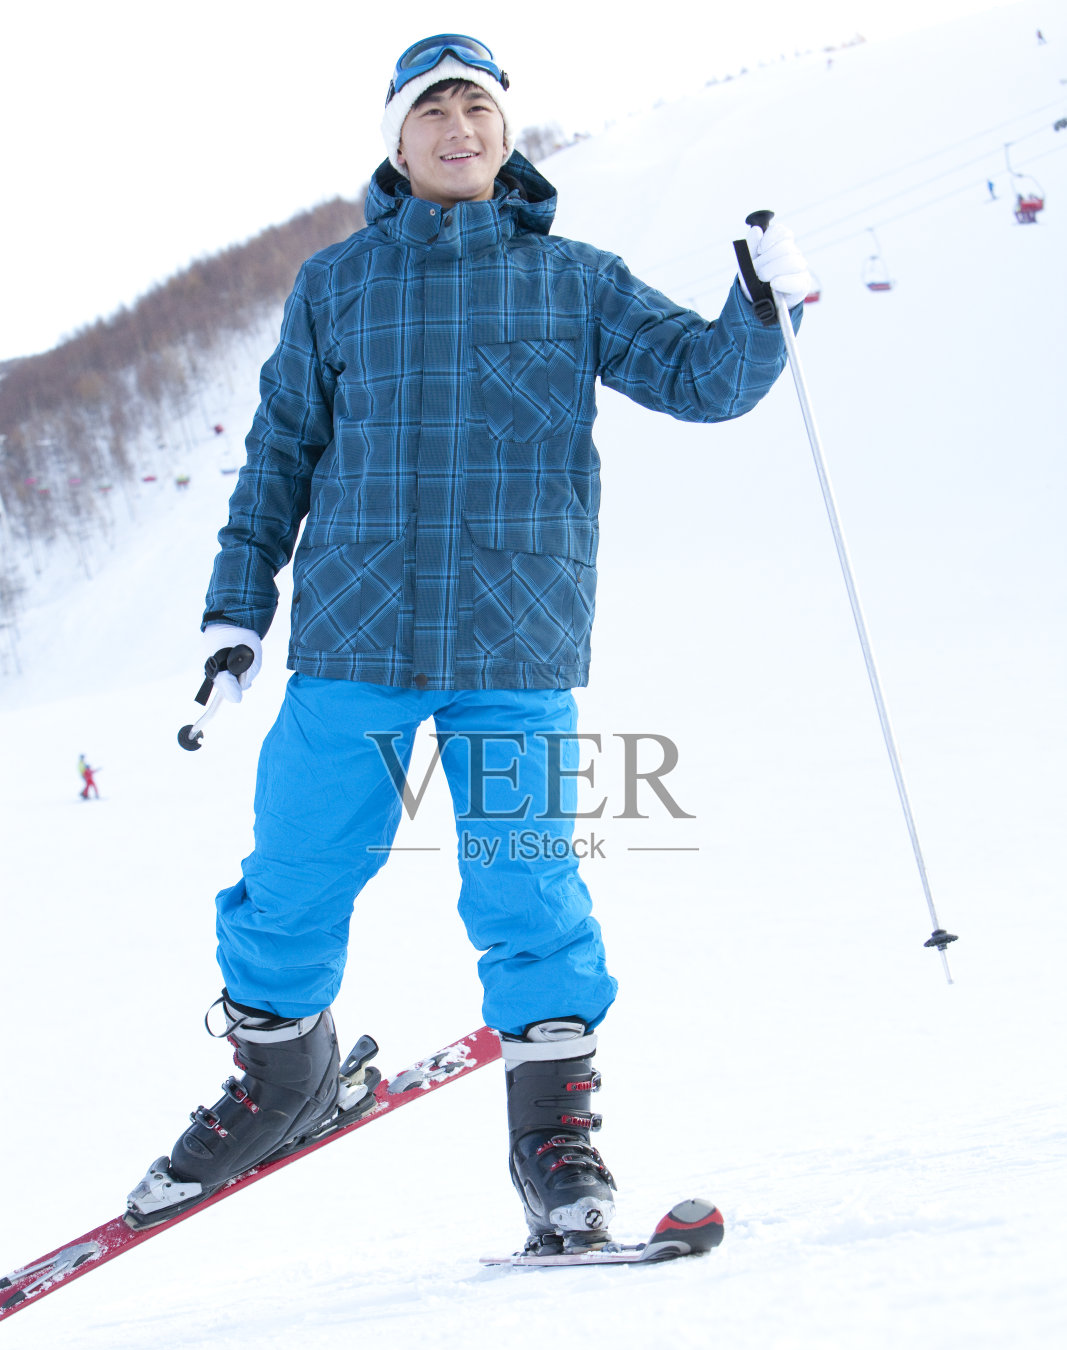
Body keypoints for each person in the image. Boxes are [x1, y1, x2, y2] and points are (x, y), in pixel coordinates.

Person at [127, 34, 812, 1251]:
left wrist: (757, 308)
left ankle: (554, 1144)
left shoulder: (573, 279)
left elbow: (703, 381)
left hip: (514, 636)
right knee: (291, 872)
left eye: (479, 110)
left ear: (507, 134)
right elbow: (279, 451)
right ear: (395, 138)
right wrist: (237, 612)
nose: (459, 129)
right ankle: (281, 1078)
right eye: (433, 110)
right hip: (350, 631)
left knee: (528, 888)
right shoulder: (333, 285)